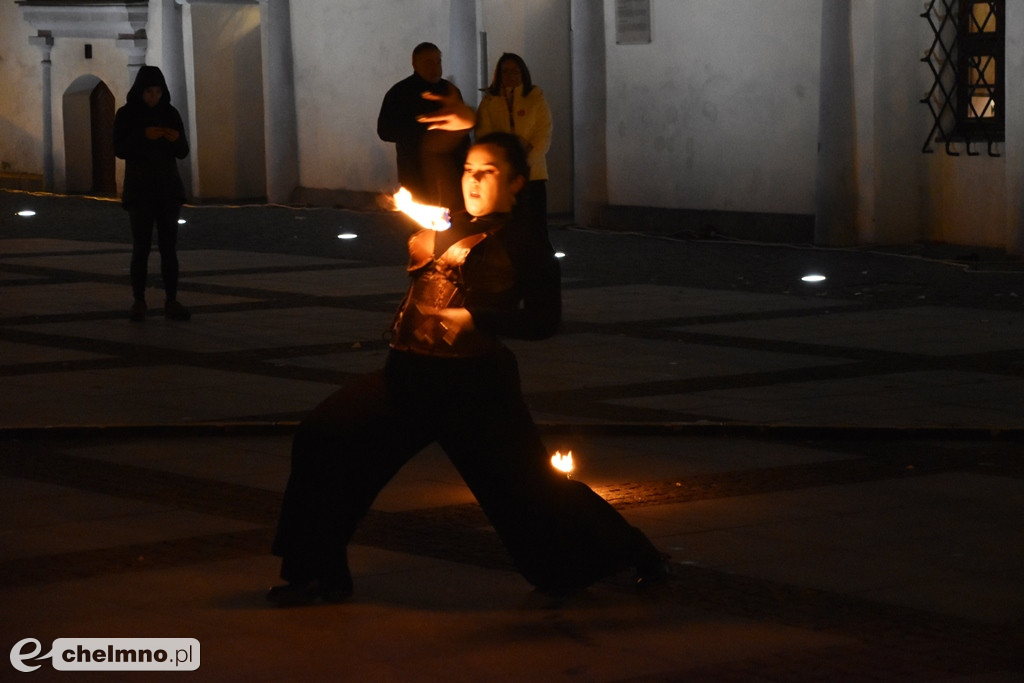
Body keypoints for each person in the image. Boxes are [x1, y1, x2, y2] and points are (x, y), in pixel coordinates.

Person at [268, 133, 668, 606]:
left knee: (532, 490)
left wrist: (477, 317)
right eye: (468, 170)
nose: (473, 180)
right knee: (324, 439)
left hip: (473, 388)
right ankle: (318, 572)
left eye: (489, 172)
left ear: (517, 181)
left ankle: (636, 555)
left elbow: (543, 320)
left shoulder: (525, 240)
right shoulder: (446, 219)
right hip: (408, 377)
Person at [113, 65, 191, 322]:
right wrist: (143, 135)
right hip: (140, 191)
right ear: (140, 91)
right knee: (141, 247)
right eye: (149, 92)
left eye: (157, 92)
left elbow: (182, 151)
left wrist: (174, 138)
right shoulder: (126, 114)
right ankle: (139, 300)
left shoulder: (169, 113)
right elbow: (120, 148)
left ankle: (171, 299)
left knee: (169, 249)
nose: (154, 97)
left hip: (168, 190)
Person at [377, 42, 471, 209]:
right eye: (428, 62)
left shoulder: (450, 91)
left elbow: (462, 132)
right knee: (423, 227)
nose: (435, 67)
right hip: (415, 172)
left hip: (451, 171)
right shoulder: (399, 93)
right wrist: (422, 128)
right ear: (414, 64)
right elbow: (385, 131)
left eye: (438, 61)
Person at [475, 53, 553, 229]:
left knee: (536, 225)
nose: (511, 75)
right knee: (508, 226)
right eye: (506, 71)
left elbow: (543, 132)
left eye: (515, 71)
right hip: (502, 176)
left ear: (523, 73)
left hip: (534, 174)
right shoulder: (489, 101)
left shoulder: (535, 98)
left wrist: (524, 159)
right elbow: (484, 134)